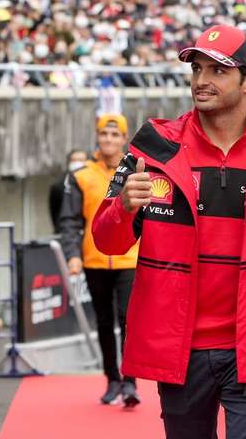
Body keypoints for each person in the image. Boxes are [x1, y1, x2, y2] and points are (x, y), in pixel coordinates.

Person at [92, 25, 246, 437]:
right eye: (197, 69)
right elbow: (107, 241)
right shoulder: (152, 147)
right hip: (181, 353)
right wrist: (123, 207)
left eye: (218, 71)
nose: (201, 80)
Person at [59, 115, 140, 406]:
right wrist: (72, 256)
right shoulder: (80, 175)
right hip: (94, 260)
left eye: (115, 135)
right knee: (104, 323)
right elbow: (68, 222)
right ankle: (112, 380)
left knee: (128, 321)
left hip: (129, 259)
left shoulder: (135, 171)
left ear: (123, 138)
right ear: (97, 137)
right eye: (104, 135)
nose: (109, 140)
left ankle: (130, 382)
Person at [49, 148, 89, 234]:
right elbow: (55, 211)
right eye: (74, 160)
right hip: (66, 233)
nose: (78, 163)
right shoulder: (58, 186)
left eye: (81, 160)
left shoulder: (94, 183)